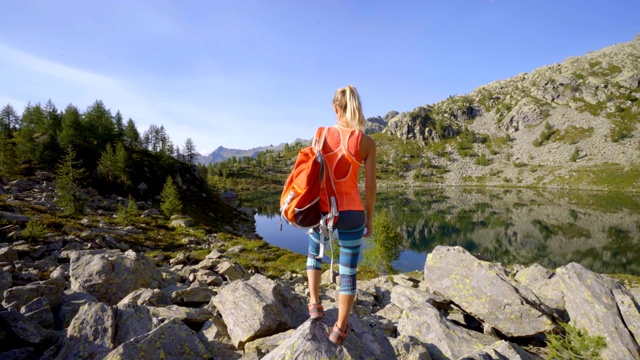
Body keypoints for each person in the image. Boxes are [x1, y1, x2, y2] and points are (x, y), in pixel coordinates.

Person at [306, 85, 376, 345]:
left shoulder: (321, 133)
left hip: (322, 210)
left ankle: (315, 304)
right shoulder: (367, 142)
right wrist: (369, 218)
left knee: (314, 255)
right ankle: (340, 328)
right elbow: (370, 186)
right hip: (353, 212)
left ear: (335, 108)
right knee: (348, 272)